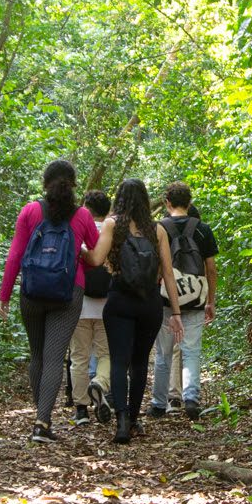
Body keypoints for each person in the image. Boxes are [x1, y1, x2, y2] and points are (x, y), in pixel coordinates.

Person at [0, 160, 105, 444]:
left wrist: (5, 295)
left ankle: (41, 415)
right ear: (73, 185)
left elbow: (15, 256)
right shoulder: (82, 216)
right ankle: (42, 422)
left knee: (38, 355)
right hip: (68, 294)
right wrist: (79, 253)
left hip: (31, 292)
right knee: (55, 357)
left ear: (45, 184)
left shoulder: (30, 211)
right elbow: (96, 257)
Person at [87, 178, 183, 444]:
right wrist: (176, 313)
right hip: (149, 303)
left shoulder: (111, 225)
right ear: (145, 199)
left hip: (119, 301)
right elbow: (168, 273)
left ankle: (121, 422)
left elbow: (95, 259)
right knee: (140, 363)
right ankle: (134, 418)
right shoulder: (158, 230)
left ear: (119, 198)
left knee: (119, 361)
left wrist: (82, 251)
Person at [149, 183, 217, 420]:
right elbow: (211, 269)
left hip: (167, 299)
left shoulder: (159, 229)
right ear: (189, 202)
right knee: (191, 351)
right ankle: (191, 398)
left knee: (163, 353)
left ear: (167, 202)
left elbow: (155, 267)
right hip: (196, 297)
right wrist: (211, 300)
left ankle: (158, 403)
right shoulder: (203, 230)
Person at [68, 189, 113, 425]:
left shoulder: (78, 230)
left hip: (79, 303)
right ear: (108, 210)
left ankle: (82, 409)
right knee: (106, 354)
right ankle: (100, 383)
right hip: (107, 305)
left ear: (85, 207)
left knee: (79, 357)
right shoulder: (111, 232)